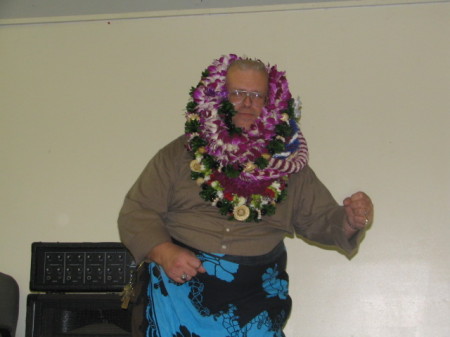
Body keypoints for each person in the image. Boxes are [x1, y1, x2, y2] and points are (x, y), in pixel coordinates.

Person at [118, 54, 373, 337]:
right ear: (217, 97)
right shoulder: (179, 153)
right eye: (238, 93)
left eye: (257, 95)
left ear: (270, 103)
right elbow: (137, 212)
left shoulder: (289, 165)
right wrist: (163, 251)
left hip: (255, 298)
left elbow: (322, 218)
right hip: (180, 289)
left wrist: (349, 221)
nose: (248, 103)